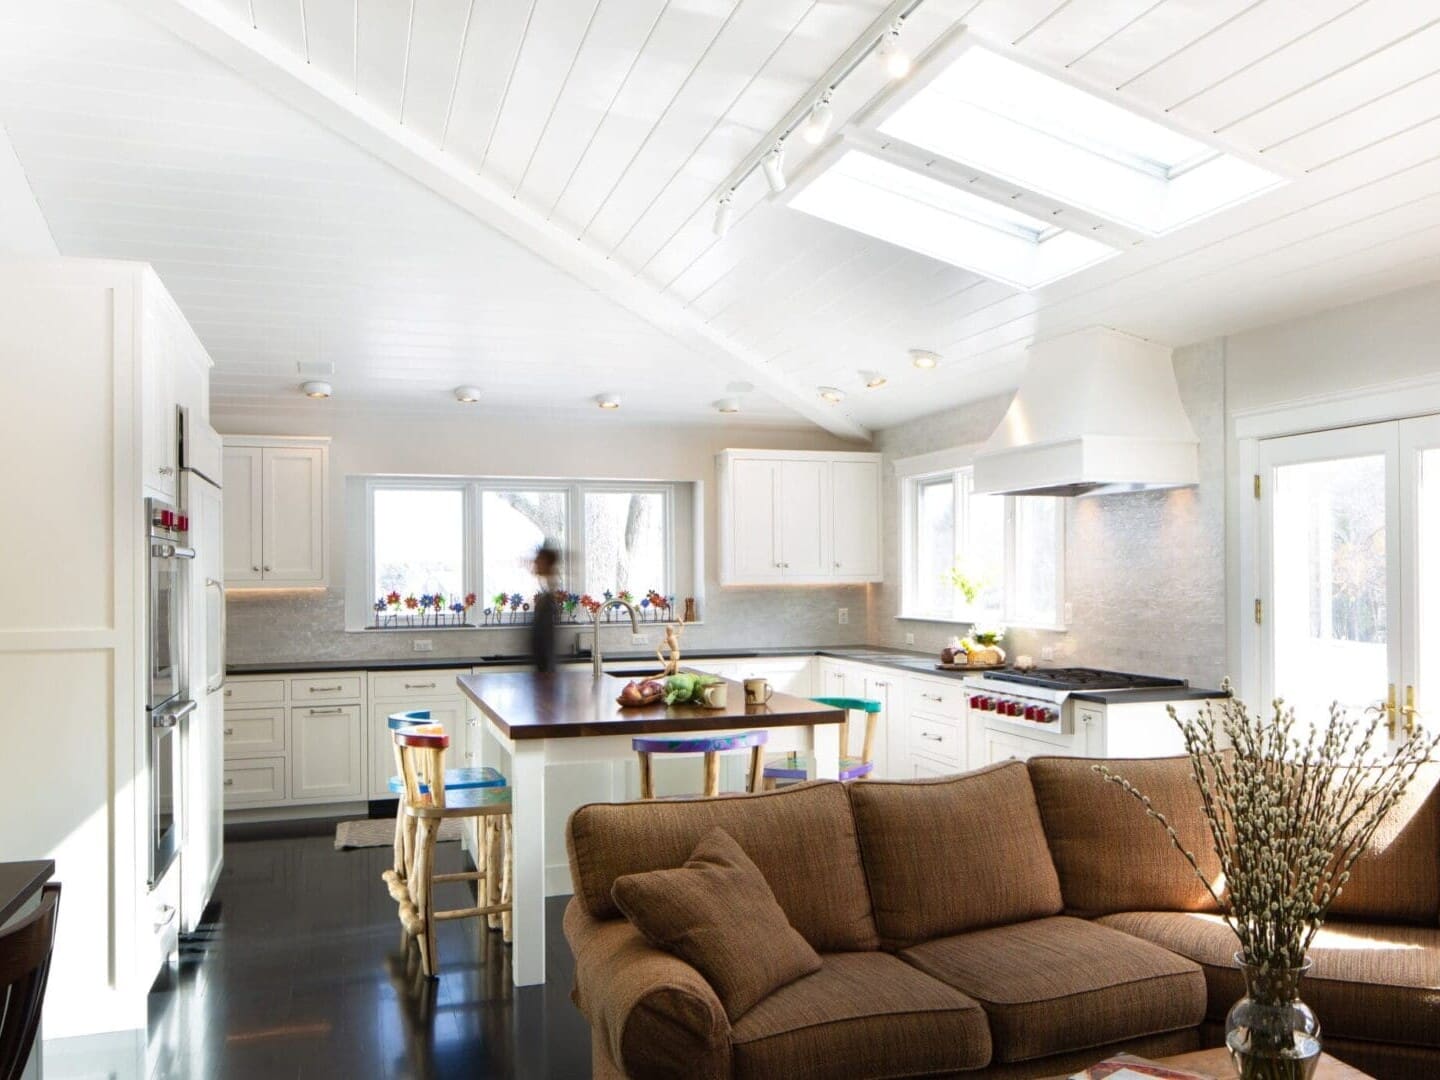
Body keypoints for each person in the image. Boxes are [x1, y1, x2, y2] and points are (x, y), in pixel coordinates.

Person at [529, 543, 562, 673]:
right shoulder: (546, 593)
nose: (535, 562)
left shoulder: (549, 599)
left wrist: (547, 674)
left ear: (546, 563)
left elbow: (547, 642)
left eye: (538, 560)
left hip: (545, 670)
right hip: (543, 669)